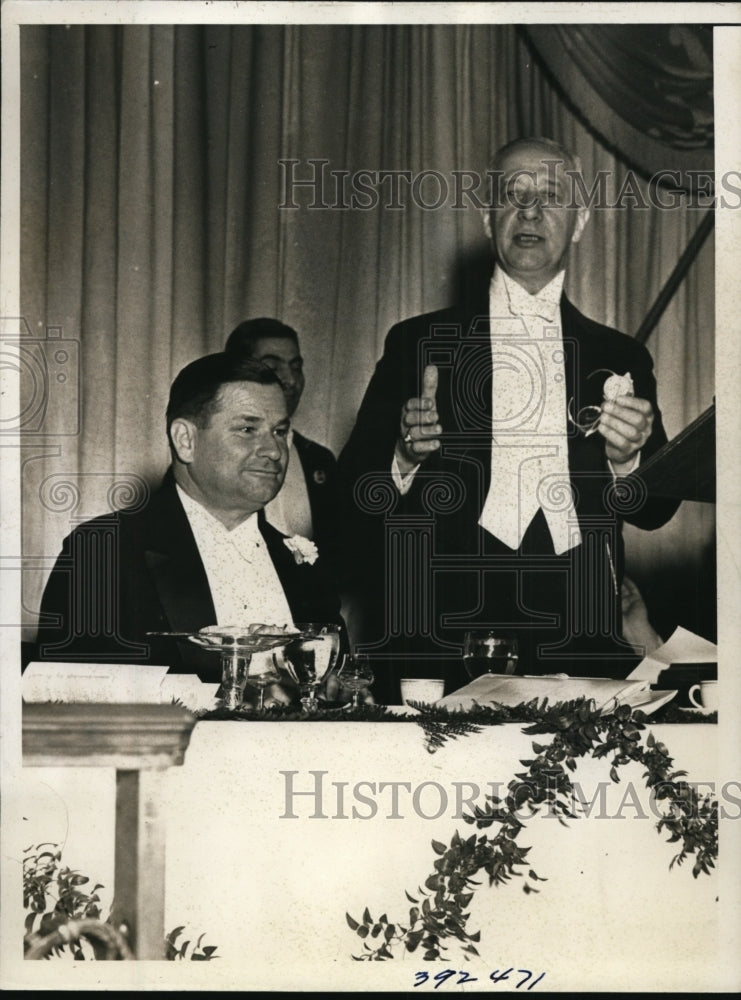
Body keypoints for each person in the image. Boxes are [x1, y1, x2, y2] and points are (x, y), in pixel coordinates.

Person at [338, 137, 680, 700]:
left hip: (580, 636)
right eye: (512, 194)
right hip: (441, 636)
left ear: (579, 221)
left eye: (551, 196)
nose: (529, 211)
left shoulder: (620, 356)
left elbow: (655, 510)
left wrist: (629, 460)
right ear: (486, 214)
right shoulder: (416, 343)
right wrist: (402, 457)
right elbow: (352, 503)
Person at [35, 353, 344, 683]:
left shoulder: (303, 566)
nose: (273, 450)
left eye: (280, 431)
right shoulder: (103, 551)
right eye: (247, 429)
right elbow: (72, 704)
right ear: (186, 440)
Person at [225, 318, 340, 567]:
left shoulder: (320, 461)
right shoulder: (217, 455)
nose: (290, 380)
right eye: (273, 367)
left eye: (296, 367)